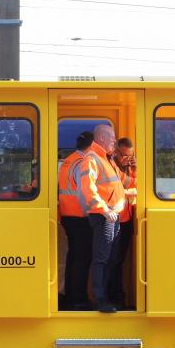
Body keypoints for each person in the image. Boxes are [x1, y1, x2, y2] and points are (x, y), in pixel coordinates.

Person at [79, 123, 125, 313]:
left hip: (113, 217)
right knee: (101, 259)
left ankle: (105, 297)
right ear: (103, 139)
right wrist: (104, 209)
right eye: (112, 138)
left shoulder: (105, 159)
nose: (114, 142)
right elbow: (87, 188)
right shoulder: (92, 159)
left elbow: (117, 185)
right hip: (104, 217)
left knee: (110, 258)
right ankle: (99, 300)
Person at [58, 131, 94, 310]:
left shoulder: (69, 160)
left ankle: (71, 296)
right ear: (92, 146)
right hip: (81, 217)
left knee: (73, 258)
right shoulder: (83, 163)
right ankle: (79, 300)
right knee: (82, 259)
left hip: (68, 215)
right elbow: (87, 191)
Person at [108, 137, 137, 308]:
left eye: (130, 156)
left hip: (126, 219)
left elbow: (139, 182)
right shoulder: (110, 165)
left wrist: (135, 166)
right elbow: (120, 186)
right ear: (116, 151)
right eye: (124, 156)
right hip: (112, 218)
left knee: (119, 261)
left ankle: (118, 296)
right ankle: (115, 297)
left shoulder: (131, 167)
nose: (127, 159)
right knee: (113, 261)